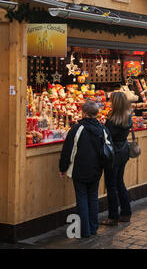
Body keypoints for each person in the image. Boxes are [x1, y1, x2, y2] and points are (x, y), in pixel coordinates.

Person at [59, 101, 111, 238]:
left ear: (84, 113)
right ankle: (93, 228)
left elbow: (68, 150)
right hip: (96, 169)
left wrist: (63, 168)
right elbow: (108, 149)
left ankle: (84, 230)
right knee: (93, 197)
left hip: (80, 169)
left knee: (81, 197)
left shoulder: (77, 128)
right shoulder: (103, 129)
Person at [101, 92, 133, 226]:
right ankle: (126, 212)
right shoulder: (127, 117)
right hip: (124, 151)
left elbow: (107, 136)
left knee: (111, 185)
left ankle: (113, 216)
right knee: (119, 182)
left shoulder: (112, 120)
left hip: (113, 154)